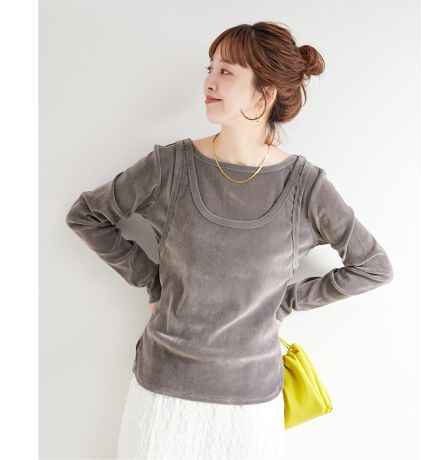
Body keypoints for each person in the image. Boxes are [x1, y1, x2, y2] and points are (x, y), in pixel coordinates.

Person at [65, 21, 393, 460]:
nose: (209, 81)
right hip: (162, 396)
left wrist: (286, 302)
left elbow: (373, 267)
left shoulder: (305, 188)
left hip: (251, 410)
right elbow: (86, 215)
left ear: (264, 94)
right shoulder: (170, 166)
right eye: (210, 68)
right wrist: (153, 281)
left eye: (226, 72)